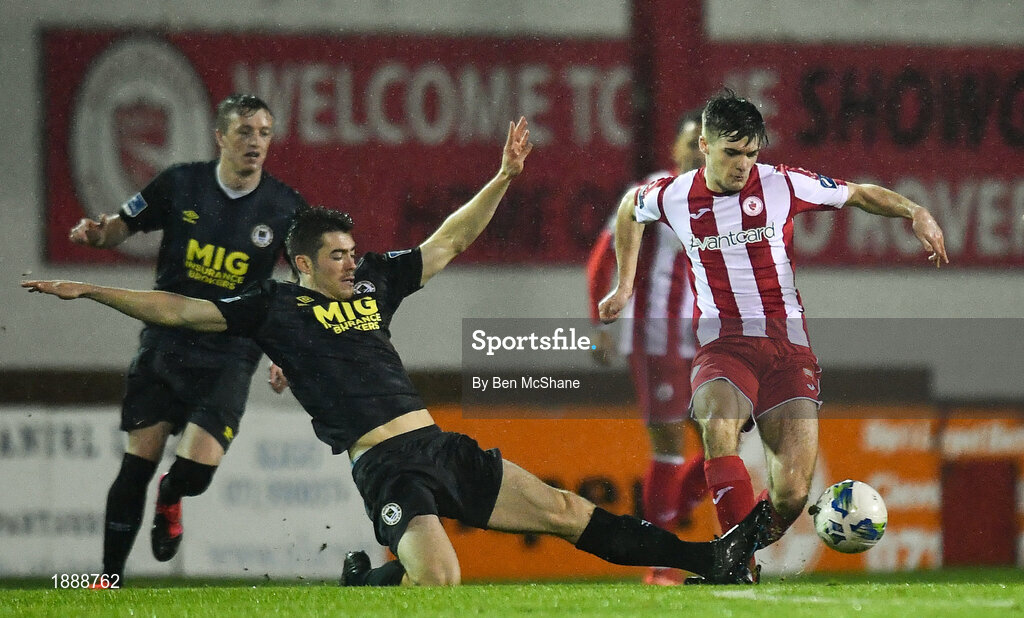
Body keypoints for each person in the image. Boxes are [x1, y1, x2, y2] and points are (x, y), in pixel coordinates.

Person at [26, 118, 770, 587]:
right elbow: (178, 306)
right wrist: (92, 292)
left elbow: (446, 241)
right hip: (384, 464)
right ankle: (357, 587)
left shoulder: (377, 281)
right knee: (439, 581)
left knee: (567, 509)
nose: (355, 261)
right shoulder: (273, 310)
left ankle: (710, 561)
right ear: (304, 264)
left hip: (437, 443)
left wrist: (503, 180)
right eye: (340, 254)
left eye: (354, 251)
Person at [598, 91, 948, 581]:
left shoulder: (784, 185)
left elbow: (860, 193)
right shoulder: (674, 194)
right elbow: (629, 211)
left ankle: (730, 550)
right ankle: (740, 568)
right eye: (732, 153)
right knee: (717, 428)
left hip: (787, 351)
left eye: (752, 153)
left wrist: (915, 212)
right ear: (704, 145)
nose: (744, 165)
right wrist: (624, 285)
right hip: (724, 346)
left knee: (790, 496)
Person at [67, 93, 308, 581]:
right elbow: (121, 226)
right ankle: (105, 581)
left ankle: (172, 495)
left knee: (196, 473)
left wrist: (291, 351)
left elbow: (306, 286)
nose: (255, 142)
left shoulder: (285, 208)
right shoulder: (181, 183)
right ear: (220, 137)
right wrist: (100, 234)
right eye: (244, 132)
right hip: (167, 342)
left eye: (264, 133)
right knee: (136, 464)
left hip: (231, 351)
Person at [585, 110, 708, 585]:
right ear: (676, 150)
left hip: (702, 340)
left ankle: (670, 515)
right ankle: (660, 565)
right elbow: (602, 262)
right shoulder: (654, 193)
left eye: (704, 142)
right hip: (656, 335)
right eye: (690, 142)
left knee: (731, 434)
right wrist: (600, 327)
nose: (696, 150)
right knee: (670, 447)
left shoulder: (730, 204)